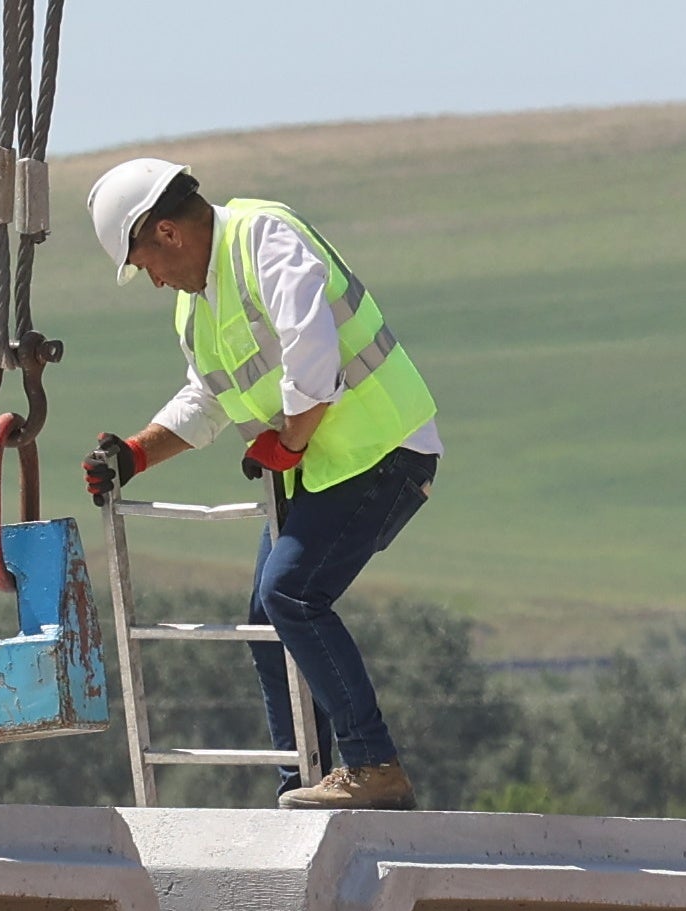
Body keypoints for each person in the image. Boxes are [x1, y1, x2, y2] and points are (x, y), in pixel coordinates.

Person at [77, 156, 445, 812]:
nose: (154, 281)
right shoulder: (196, 312)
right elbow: (208, 401)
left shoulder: (262, 237)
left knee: (292, 595)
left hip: (386, 450)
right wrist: (135, 454)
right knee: (267, 615)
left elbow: (314, 349)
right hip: (321, 473)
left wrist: (287, 442)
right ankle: (303, 777)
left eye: (143, 265)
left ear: (167, 233)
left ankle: (372, 766)